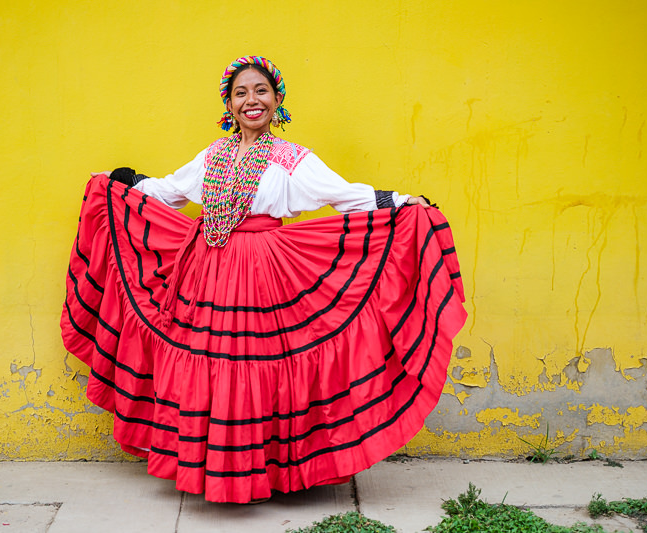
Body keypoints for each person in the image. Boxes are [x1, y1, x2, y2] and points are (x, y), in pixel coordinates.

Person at [61, 55, 467, 504]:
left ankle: (264, 473)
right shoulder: (212, 156)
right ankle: (213, 471)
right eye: (241, 93)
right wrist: (127, 185)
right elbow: (171, 192)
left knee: (256, 366)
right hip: (206, 269)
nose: (251, 100)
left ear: (277, 100)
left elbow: (345, 196)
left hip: (262, 273)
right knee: (214, 368)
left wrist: (403, 203)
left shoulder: (294, 160)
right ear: (228, 105)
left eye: (260, 91)